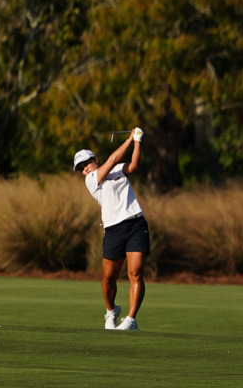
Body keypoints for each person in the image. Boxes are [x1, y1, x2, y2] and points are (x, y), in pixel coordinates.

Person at [73, 128, 148, 331]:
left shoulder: (116, 170)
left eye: (86, 163)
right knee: (108, 278)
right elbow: (113, 159)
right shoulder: (92, 180)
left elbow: (133, 166)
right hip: (113, 230)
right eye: (80, 168)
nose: (85, 169)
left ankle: (131, 319)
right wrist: (129, 138)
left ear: (95, 159)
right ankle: (111, 310)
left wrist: (138, 141)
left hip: (135, 224)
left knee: (136, 273)